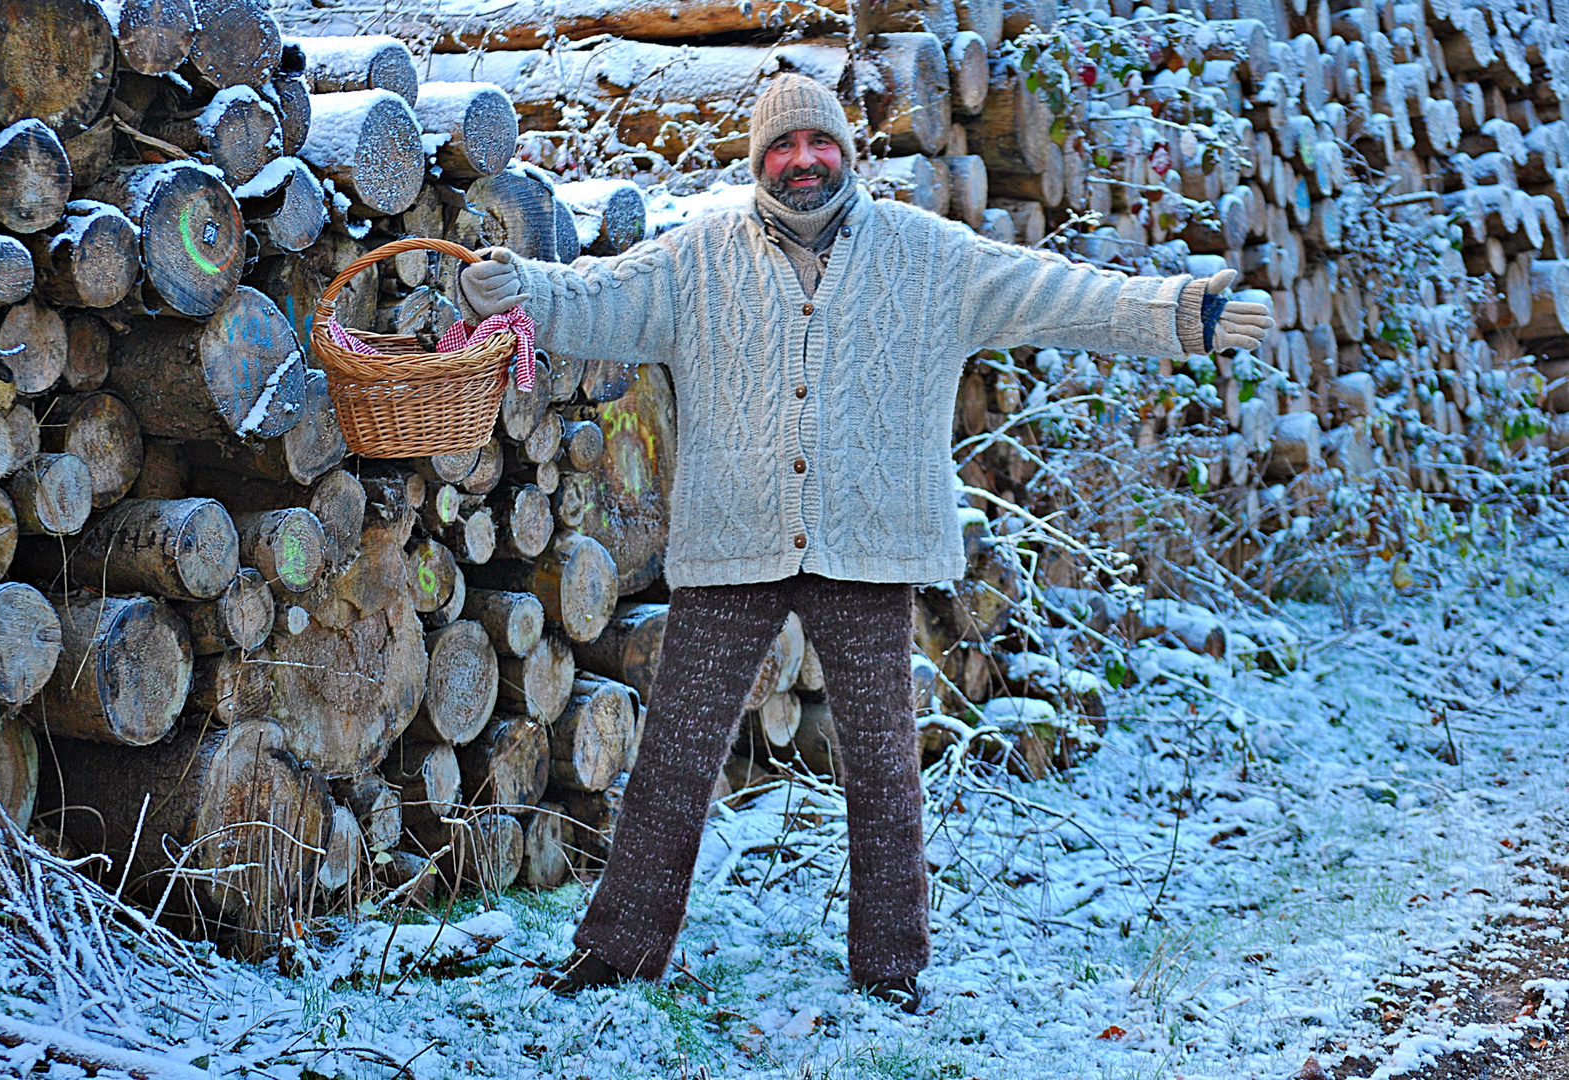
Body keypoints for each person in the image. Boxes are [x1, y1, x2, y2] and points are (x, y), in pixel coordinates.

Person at [460, 73, 1272, 1011]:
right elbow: (590, 299)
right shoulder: (695, 259)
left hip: (870, 545)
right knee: (676, 758)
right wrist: (516, 287)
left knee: (884, 765)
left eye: (818, 145)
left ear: (845, 152)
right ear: (757, 161)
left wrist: (1182, 314)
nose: (801, 163)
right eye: (781, 148)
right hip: (734, 542)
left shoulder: (930, 257)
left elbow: (1058, 293)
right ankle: (618, 950)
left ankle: (890, 966)